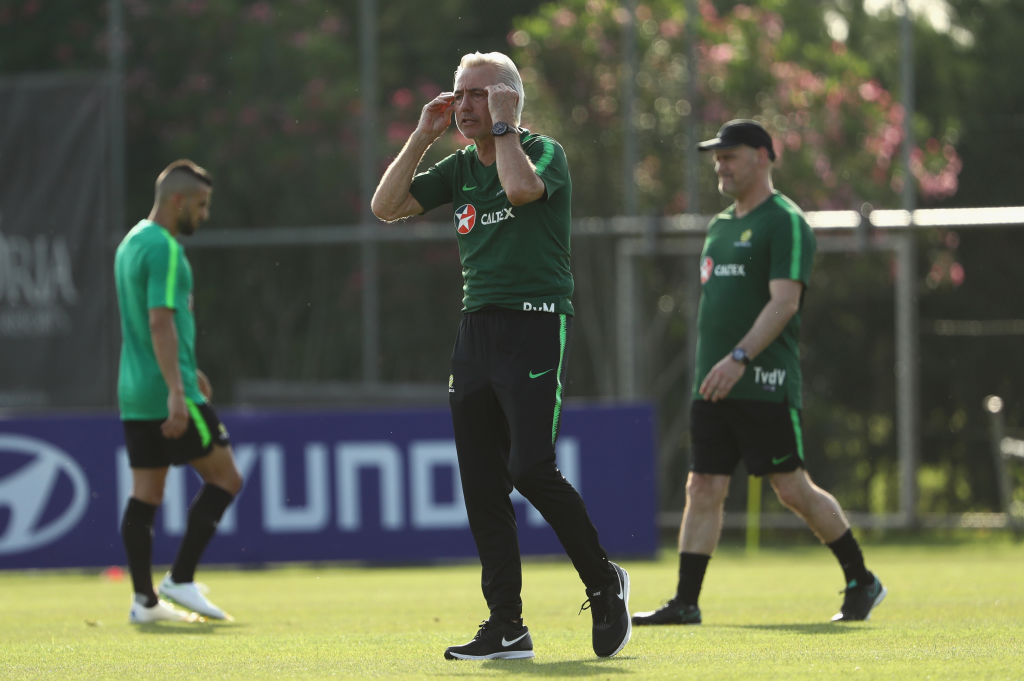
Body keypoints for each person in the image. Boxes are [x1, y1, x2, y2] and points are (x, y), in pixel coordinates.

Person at [371, 51, 630, 660]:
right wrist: (420, 134)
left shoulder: (543, 151)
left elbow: (519, 190)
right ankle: (507, 626)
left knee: (530, 467)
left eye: (479, 95)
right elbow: (386, 206)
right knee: (482, 484)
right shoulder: (457, 166)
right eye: (459, 94)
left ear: (510, 100)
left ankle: (603, 581)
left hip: (535, 324)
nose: (465, 106)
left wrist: (507, 126)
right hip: (476, 331)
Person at [632, 120, 886, 627]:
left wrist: (740, 358)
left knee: (792, 488)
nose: (720, 165)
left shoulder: (785, 221)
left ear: (765, 156)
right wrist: (718, 365)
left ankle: (862, 579)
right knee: (702, 486)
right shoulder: (720, 226)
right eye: (717, 156)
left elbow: (785, 303)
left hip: (761, 381)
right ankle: (686, 602)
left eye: (731, 155)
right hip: (713, 382)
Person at [114, 159, 243, 623]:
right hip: (170, 393)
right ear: (178, 200)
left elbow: (149, 326)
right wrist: (177, 389)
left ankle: (143, 601)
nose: (204, 215)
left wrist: (189, 368)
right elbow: (159, 320)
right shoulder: (166, 249)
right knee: (226, 479)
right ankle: (181, 580)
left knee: (146, 493)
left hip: (133, 391)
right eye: (202, 205)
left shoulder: (131, 242)